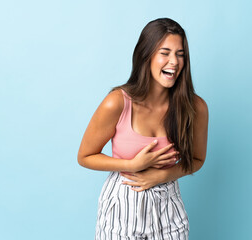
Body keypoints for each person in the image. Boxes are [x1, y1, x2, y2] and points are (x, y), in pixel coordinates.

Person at [77, 18, 208, 240]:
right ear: (146, 55)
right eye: (165, 53)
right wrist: (132, 165)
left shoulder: (195, 107)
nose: (174, 62)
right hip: (122, 204)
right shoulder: (117, 102)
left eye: (180, 54)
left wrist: (162, 175)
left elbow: (197, 159)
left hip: (168, 206)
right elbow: (85, 156)